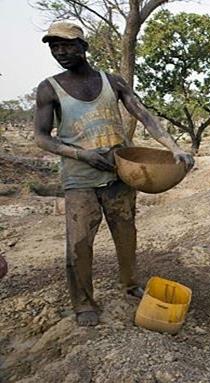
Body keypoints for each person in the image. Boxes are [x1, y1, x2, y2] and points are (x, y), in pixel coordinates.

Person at [33, 22, 194, 327]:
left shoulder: (112, 82)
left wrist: (174, 147)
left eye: (67, 45)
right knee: (79, 244)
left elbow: (144, 115)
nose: (61, 52)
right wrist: (81, 154)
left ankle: (130, 283)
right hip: (79, 179)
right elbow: (41, 137)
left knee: (126, 234)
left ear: (84, 47)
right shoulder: (49, 88)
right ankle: (83, 303)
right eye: (54, 47)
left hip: (120, 173)